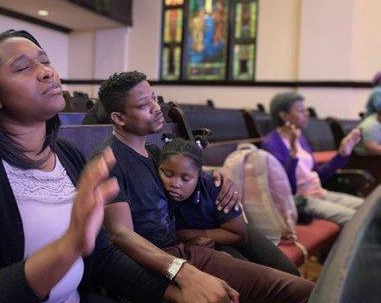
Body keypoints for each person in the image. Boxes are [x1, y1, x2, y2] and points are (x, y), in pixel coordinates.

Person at [0, 30, 172, 303]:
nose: (46, 72)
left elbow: (102, 256)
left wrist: (175, 288)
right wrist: (69, 245)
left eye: (45, 62)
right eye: (23, 67)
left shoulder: (66, 154)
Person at [96, 71, 313, 303]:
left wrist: (217, 179)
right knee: (298, 293)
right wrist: (180, 270)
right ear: (119, 118)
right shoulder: (108, 161)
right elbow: (121, 235)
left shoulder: (153, 152)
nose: (157, 107)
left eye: (154, 97)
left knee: (294, 283)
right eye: (143, 104)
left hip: (187, 248)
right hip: (163, 261)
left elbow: (185, 170)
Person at [158, 137, 300, 276]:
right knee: (251, 275)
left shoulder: (215, 185)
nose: (175, 184)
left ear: (199, 175)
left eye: (186, 178)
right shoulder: (154, 188)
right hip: (210, 244)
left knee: (288, 271)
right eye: (168, 174)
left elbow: (240, 235)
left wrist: (188, 234)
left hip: (228, 230)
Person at [261, 92, 363, 226]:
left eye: (306, 109)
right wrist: (293, 154)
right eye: (300, 110)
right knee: (358, 220)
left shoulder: (300, 139)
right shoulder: (271, 143)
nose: (306, 113)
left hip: (318, 193)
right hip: (300, 201)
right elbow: (286, 188)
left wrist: (342, 154)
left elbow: (318, 175)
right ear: (283, 115)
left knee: (369, 208)